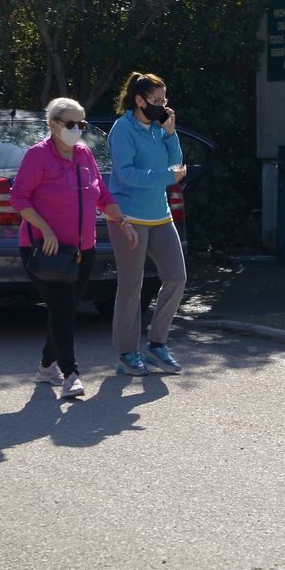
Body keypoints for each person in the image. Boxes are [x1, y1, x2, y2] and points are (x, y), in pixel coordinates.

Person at [10, 97, 137, 400]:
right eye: (71, 123)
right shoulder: (38, 155)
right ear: (53, 124)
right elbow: (19, 198)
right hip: (45, 248)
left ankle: (46, 367)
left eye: (82, 123)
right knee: (64, 309)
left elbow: (101, 194)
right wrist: (46, 229)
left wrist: (122, 222)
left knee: (63, 310)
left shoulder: (84, 154)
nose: (77, 129)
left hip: (82, 249)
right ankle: (71, 374)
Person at [107, 72, 188, 376]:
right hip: (129, 217)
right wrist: (168, 176)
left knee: (177, 277)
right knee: (131, 286)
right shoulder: (122, 129)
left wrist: (171, 133)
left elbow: (177, 164)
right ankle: (127, 353)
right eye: (156, 100)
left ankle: (157, 344)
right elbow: (126, 173)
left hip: (160, 215)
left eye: (164, 100)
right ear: (139, 100)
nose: (162, 106)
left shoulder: (158, 128)